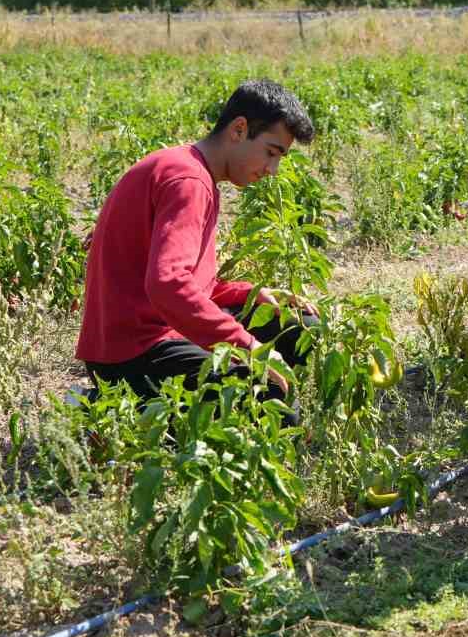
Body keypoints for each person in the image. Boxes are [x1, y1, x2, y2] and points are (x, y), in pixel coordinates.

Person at [75, 80, 317, 404]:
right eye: (271, 153)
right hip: (132, 354)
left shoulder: (192, 169)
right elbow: (167, 285)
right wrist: (246, 346)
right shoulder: (188, 181)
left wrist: (248, 294)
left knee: (297, 327)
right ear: (239, 129)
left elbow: (185, 283)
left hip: (159, 327)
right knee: (269, 398)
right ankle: (102, 408)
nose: (272, 169)